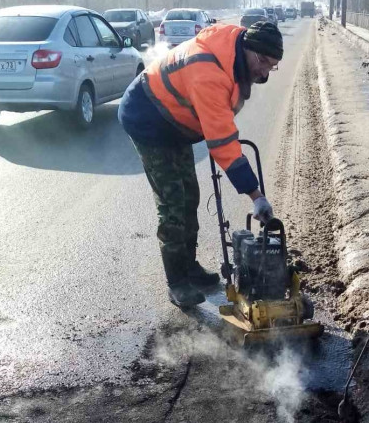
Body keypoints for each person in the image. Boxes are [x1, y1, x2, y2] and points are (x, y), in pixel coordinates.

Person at [118, 21, 283, 307]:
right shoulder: (209, 73)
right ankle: (177, 282)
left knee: (190, 196)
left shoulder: (233, 51)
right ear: (247, 48)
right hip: (147, 119)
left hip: (175, 122)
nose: (265, 72)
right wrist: (256, 197)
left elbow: (220, 126)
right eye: (263, 61)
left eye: (273, 65)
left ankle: (189, 265)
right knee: (173, 204)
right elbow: (223, 143)